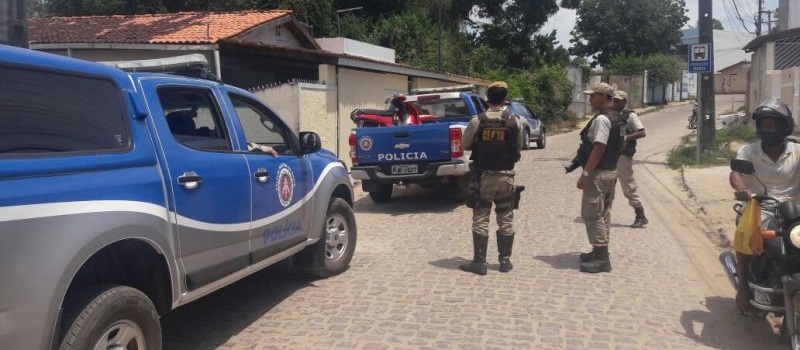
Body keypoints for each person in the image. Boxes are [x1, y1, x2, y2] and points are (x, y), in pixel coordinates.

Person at [729, 99, 800, 313]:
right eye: (764, 125)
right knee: (749, 233)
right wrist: (743, 189)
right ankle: (743, 287)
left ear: (785, 126)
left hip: (793, 210)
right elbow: (736, 174)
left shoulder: (797, 151)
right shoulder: (749, 151)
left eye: (772, 125)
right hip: (758, 205)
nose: (767, 130)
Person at [459, 81, 524, 275]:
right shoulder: (515, 121)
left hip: (483, 177)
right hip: (506, 178)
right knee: (506, 218)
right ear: (505, 99)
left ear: (488, 99)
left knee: (481, 218)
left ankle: (479, 262)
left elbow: (465, 144)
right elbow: (518, 148)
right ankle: (504, 261)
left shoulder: (477, 121)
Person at [575, 83, 625, 273]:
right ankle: (598, 251)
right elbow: (621, 144)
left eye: (593, 96)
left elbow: (599, 147)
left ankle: (602, 259)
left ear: (603, 97)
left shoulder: (603, 119)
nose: (590, 99)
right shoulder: (618, 117)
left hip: (599, 173)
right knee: (603, 212)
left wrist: (586, 173)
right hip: (610, 171)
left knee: (591, 213)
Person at [612, 90, 649, 228]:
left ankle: (640, 215)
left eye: (619, 100)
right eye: (614, 100)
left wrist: (626, 138)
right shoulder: (610, 114)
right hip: (611, 154)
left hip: (623, 155)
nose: (616, 102)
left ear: (624, 101)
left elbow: (642, 132)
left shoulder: (630, 115)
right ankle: (603, 214)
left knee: (628, 186)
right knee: (607, 184)